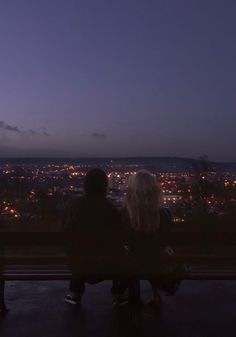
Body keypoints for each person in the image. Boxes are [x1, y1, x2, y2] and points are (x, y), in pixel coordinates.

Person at [115, 170, 175, 308]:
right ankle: (156, 294)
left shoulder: (125, 214)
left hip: (131, 264)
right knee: (153, 257)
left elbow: (123, 240)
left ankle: (124, 295)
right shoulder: (164, 214)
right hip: (156, 264)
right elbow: (165, 240)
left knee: (131, 260)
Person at [63, 168, 122, 305]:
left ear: (85, 185)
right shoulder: (111, 209)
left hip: (77, 264)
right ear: (105, 186)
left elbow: (66, 234)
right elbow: (118, 240)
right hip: (105, 265)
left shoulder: (73, 207)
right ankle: (118, 293)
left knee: (79, 251)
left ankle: (75, 292)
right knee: (121, 256)